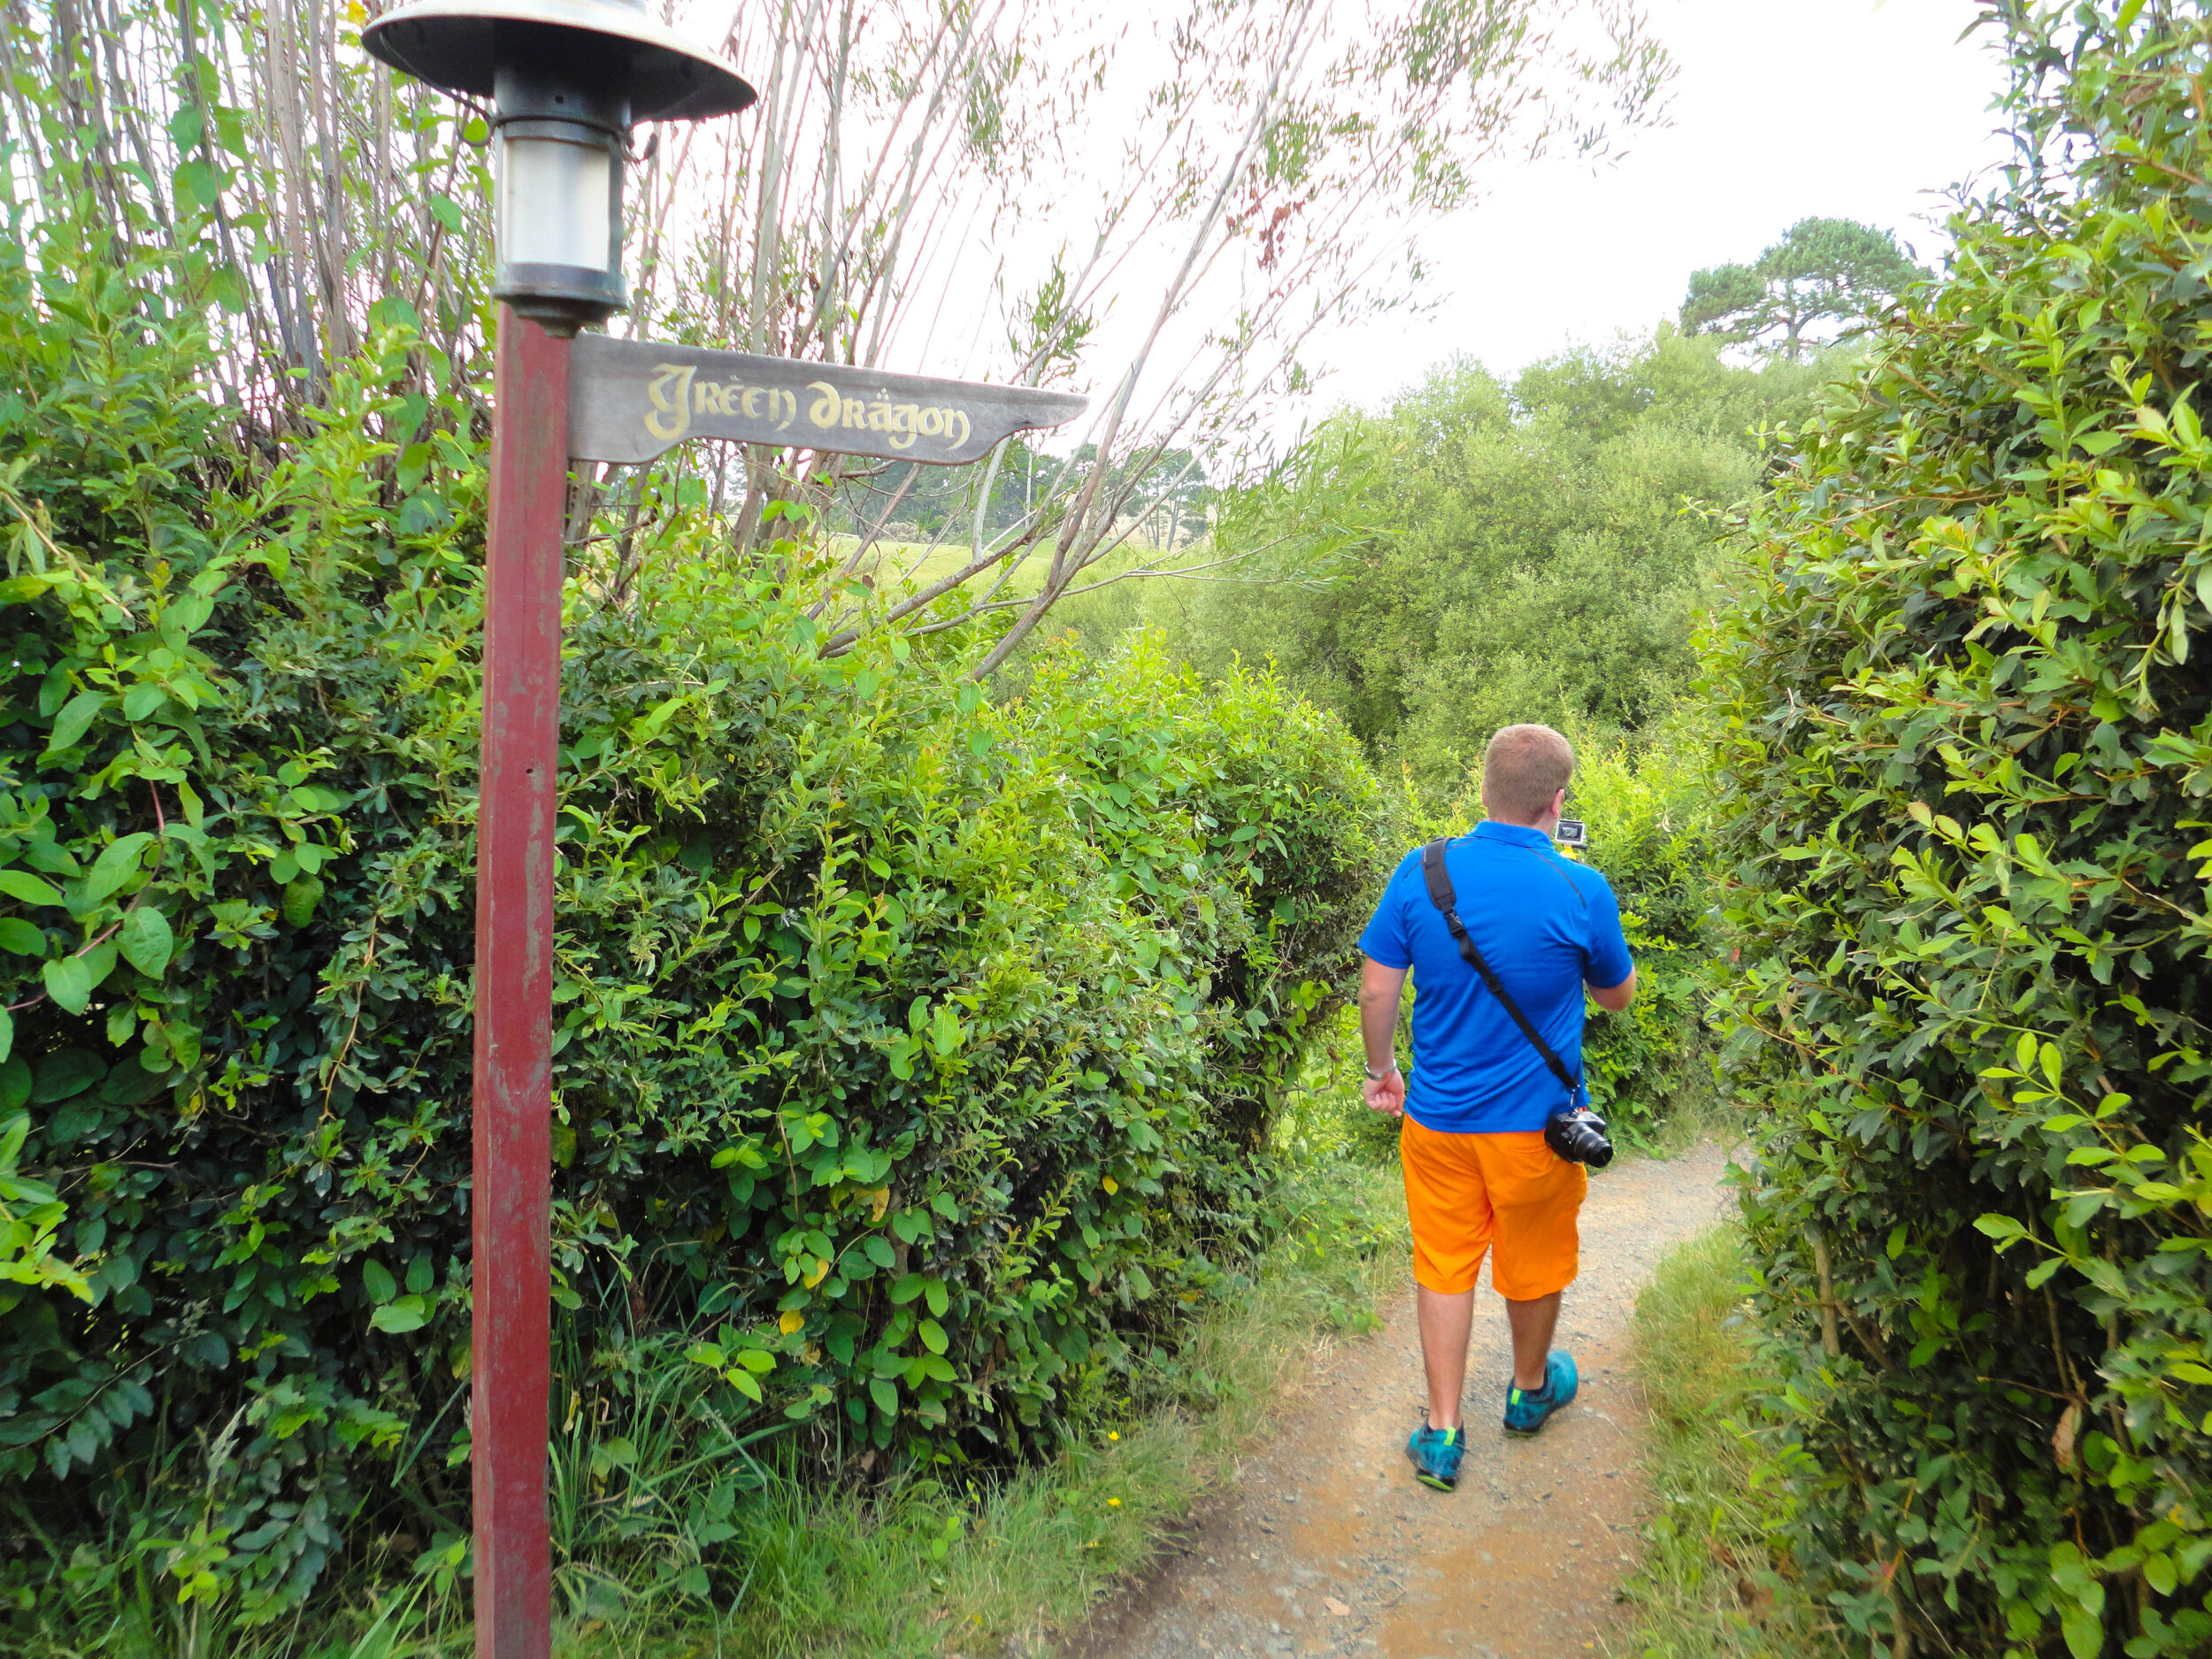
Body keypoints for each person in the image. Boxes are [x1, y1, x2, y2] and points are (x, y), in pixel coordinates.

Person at [1356, 724, 1637, 1493]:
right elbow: (1617, 997)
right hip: (1536, 1131)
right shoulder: (1584, 888)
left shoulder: (1424, 870)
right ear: (1558, 799)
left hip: (1438, 1124)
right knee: (1535, 1258)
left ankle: (1442, 1433)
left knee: (1444, 1266)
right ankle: (1529, 1390)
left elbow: (1379, 988)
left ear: (1483, 790)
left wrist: (1383, 1070)